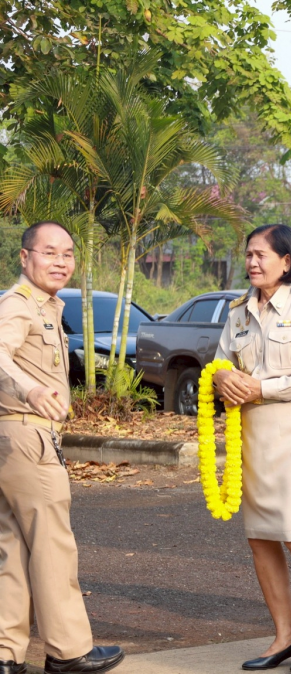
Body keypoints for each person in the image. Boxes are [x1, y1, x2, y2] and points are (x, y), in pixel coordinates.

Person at [0, 222, 125, 674]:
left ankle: (6, 654)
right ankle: (69, 650)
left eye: (67, 254)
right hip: (27, 435)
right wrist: (30, 389)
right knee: (53, 545)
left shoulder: (47, 306)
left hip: (12, 439)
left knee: (12, 548)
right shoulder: (19, 305)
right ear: (24, 257)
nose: (60, 262)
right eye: (49, 252)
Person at [212, 224, 291, 673]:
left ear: (287, 261)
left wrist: (263, 387)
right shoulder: (239, 312)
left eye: (262, 254)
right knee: (261, 537)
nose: (253, 262)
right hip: (254, 439)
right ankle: (284, 633)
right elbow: (222, 362)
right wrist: (221, 375)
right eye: (248, 254)